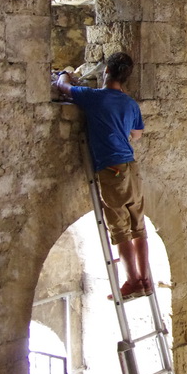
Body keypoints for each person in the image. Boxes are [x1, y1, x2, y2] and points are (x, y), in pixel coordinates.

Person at [54, 52, 152, 301]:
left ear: (106, 71)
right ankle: (146, 280)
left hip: (111, 169)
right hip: (131, 166)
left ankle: (132, 281)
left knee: (119, 228)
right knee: (138, 226)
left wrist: (65, 73)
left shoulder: (94, 98)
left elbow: (63, 88)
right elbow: (137, 134)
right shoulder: (130, 103)